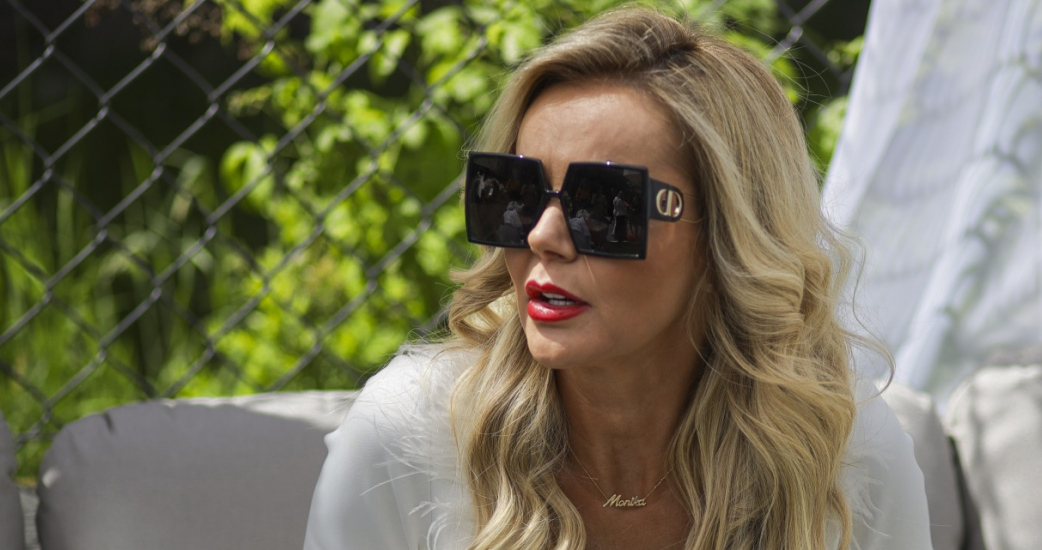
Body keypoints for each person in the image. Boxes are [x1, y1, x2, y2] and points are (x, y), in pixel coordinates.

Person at [304, 8, 932, 550]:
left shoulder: (846, 457)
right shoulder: (407, 439)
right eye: (515, 193)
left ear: (725, 234)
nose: (543, 235)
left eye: (603, 205)